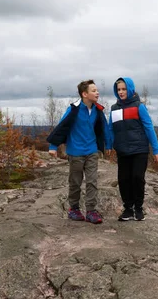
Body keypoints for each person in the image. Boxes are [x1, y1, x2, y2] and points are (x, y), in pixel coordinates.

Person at [47, 79, 106, 224]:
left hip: (91, 150)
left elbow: (104, 128)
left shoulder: (97, 110)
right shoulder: (74, 109)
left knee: (92, 181)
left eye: (97, 90)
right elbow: (62, 127)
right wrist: (53, 146)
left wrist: (108, 145)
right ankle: (74, 209)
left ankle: (91, 211)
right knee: (75, 182)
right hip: (76, 152)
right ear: (84, 94)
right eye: (94, 91)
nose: (97, 93)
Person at [106, 77, 158, 221]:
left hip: (139, 149)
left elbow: (149, 128)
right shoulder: (114, 109)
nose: (121, 92)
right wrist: (108, 145)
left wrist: (156, 149)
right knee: (124, 179)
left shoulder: (139, 106)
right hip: (122, 150)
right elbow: (111, 129)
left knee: (137, 178)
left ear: (130, 89)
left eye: (124, 89)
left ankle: (138, 208)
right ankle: (128, 209)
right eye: (118, 89)